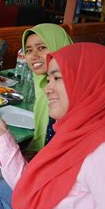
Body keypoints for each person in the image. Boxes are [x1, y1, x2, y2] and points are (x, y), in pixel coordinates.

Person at [0, 43, 105, 209]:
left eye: (57, 78)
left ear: (89, 81)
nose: (47, 88)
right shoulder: (76, 131)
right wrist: (2, 137)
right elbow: (31, 188)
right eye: (49, 79)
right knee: (0, 191)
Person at [22, 24, 72, 154]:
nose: (34, 56)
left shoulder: (72, 90)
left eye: (41, 47)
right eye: (28, 50)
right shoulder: (43, 82)